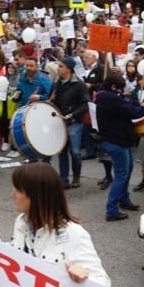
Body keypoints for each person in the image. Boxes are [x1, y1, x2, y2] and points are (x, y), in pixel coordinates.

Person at [0, 163, 110, 285]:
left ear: (36, 195)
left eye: (18, 190)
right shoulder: (22, 221)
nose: (12, 195)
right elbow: (15, 254)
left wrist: (83, 278)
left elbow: (102, 282)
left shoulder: (74, 233)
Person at [95, 73, 144, 222]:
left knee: (128, 169)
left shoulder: (103, 95)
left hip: (118, 139)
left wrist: (134, 102)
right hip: (116, 140)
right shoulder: (112, 98)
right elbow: (131, 111)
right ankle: (111, 210)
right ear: (114, 87)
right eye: (119, 89)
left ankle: (124, 200)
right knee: (121, 175)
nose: (121, 91)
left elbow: (124, 105)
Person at [50, 56, 88, 189]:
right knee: (62, 151)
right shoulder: (57, 83)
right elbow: (52, 100)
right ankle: (64, 178)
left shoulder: (79, 84)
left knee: (75, 152)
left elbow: (85, 105)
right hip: (60, 121)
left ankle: (76, 175)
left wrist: (72, 115)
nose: (58, 69)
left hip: (74, 122)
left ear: (69, 69)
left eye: (61, 66)